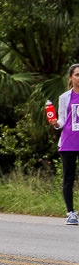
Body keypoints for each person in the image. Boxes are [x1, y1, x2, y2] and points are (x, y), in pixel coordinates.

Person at [50, 63, 79, 224]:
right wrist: (55, 123)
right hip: (68, 142)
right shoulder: (64, 97)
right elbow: (62, 120)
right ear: (71, 77)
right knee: (68, 178)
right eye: (77, 74)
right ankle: (71, 213)